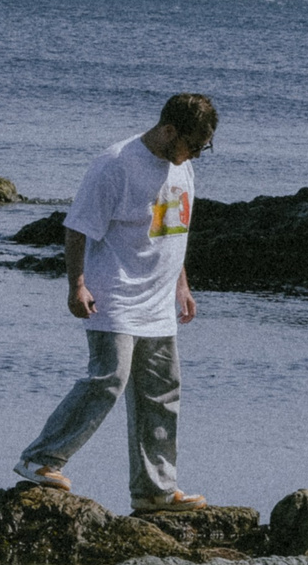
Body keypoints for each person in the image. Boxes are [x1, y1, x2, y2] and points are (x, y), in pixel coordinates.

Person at [12, 93, 216, 513]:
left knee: (161, 393)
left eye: (203, 147)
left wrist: (182, 286)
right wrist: (77, 286)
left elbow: (169, 232)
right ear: (169, 130)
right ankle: (41, 458)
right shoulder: (116, 164)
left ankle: (154, 491)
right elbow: (76, 229)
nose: (197, 153)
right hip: (116, 297)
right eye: (194, 144)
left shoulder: (184, 169)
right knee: (108, 379)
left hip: (159, 303)